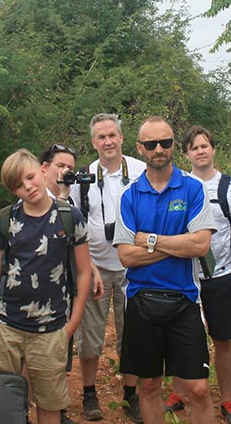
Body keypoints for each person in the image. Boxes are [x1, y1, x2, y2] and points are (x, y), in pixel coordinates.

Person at [0, 149, 93, 424]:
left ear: (42, 171)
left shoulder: (69, 216)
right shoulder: (7, 219)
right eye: (18, 185)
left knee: (49, 404)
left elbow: (84, 272)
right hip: (6, 326)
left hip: (51, 329)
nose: (27, 187)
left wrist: (72, 325)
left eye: (29, 177)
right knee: (6, 403)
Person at [114, 116, 217, 424]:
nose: (159, 149)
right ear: (139, 148)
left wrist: (149, 239)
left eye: (166, 142)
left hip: (184, 300)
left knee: (198, 389)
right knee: (147, 385)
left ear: (174, 144)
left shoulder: (192, 188)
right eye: (151, 144)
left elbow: (200, 246)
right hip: (141, 300)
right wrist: (176, 245)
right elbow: (126, 258)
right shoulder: (129, 195)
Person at [163, 125, 231, 424]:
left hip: (220, 277)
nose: (200, 151)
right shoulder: (177, 186)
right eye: (194, 147)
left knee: (222, 339)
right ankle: (178, 393)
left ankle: (227, 400)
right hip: (183, 278)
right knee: (179, 339)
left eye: (205, 145)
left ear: (213, 149)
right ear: (186, 153)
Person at [70, 113, 146, 422]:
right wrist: (87, 266)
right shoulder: (83, 176)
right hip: (96, 267)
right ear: (93, 142)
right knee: (91, 336)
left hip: (134, 268)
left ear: (122, 138)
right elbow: (75, 222)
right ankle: (90, 393)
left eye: (112, 135)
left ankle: (131, 395)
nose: (108, 141)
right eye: (101, 137)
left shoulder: (140, 172)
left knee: (133, 334)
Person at [40, 142, 106, 424]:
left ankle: (59, 411)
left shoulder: (67, 202)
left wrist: (92, 269)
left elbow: (75, 240)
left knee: (61, 349)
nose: (66, 171)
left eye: (70, 167)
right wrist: (65, 197)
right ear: (44, 169)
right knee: (37, 357)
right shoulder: (35, 196)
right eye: (60, 166)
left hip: (65, 286)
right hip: (38, 287)